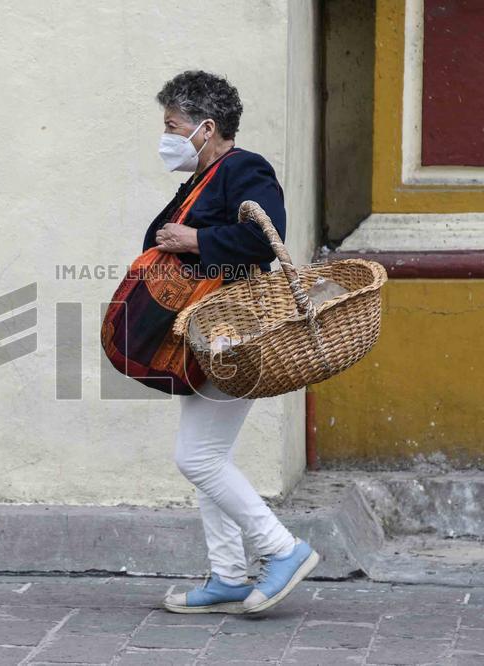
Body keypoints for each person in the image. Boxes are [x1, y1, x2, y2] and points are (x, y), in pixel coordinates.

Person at [145, 70, 319, 615]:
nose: (166, 135)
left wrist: (194, 238)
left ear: (207, 126)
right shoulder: (202, 176)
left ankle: (283, 550)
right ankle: (227, 574)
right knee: (210, 457)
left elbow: (263, 237)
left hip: (234, 329)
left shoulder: (245, 168)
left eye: (173, 125)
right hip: (204, 332)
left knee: (196, 458)